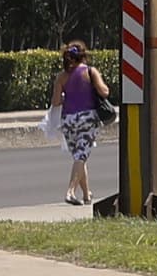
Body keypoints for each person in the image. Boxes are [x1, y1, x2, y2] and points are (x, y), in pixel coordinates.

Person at [55, 38, 112, 205]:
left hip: (68, 121)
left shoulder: (61, 77)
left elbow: (55, 102)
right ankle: (70, 192)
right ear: (83, 56)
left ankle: (87, 194)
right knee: (81, 156)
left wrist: (67, 96)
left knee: (79, 158)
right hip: (88, 118)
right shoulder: (90, 71)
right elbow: (104, 92)